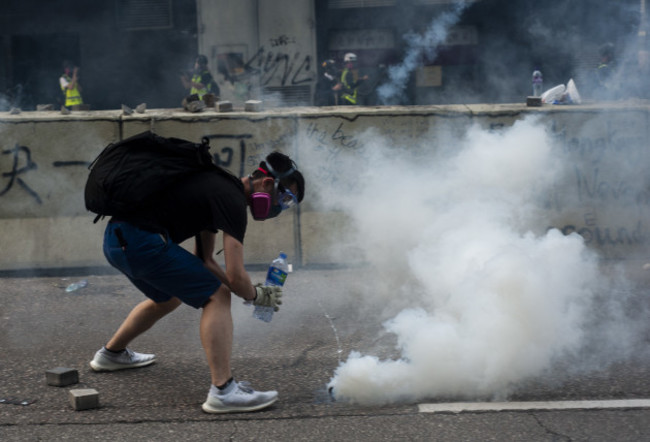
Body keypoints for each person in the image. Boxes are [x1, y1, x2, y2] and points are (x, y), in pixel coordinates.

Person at [89, 151, 305, 414]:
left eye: (288, 203)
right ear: (267, 184)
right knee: (217, 297)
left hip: (116, 242)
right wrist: (257, 295)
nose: (280, 207)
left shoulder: (220, 188)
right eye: (284, 199)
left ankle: (111, 354)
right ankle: (223, 391)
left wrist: (246, 292)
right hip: (140, 243)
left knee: (168, 298)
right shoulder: (233, 200)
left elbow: (205, 261)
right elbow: (236, 276)